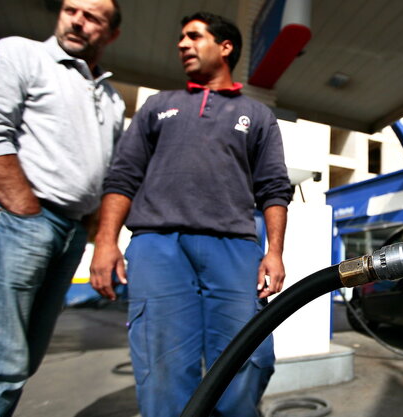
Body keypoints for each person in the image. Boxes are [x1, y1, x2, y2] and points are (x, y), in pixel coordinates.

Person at [89, 11, 292, 417]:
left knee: (250, 358)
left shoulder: (258, 116)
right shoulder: (157, 106)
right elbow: (122, 178)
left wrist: (274, 252)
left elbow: (274, 188)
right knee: (162, 365)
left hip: (234, 248)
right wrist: (105, 241)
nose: (182, 44)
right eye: (181, 38)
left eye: (193, 36)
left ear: (225, 47)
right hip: (158, 246)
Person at [0, 1, 124, 415]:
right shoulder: (21, 54)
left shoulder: (110, 99)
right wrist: (25, 208)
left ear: (111, 34)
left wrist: (92, 232)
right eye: (72, 9)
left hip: (65, 232)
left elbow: (104, 173)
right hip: (7, 217)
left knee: (19, 365)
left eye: (93, 17)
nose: (77, 20)